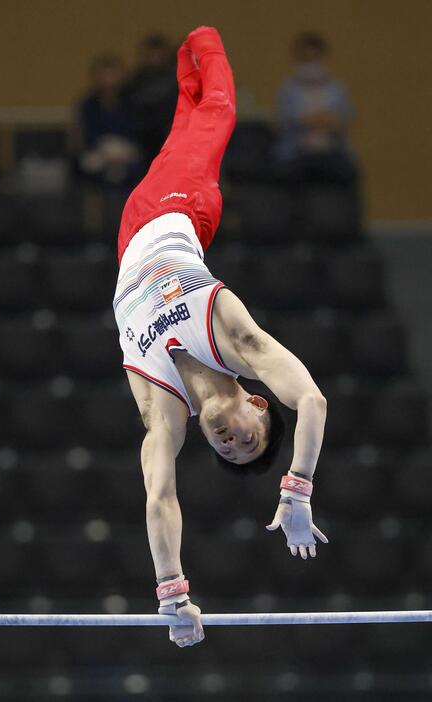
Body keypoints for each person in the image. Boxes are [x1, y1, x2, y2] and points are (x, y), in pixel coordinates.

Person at [113, 27, 328, 649]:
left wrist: (172, 591)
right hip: (181, 209)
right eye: (246, 437)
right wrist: (297, 488)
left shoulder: (163, 410)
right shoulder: (234, 340)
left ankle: (188, 61)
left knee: (190, 124)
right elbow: (311, 399)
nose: (229, 441)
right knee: (217, 114)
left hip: (129, 239)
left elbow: (159, 497)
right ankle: (202, 40)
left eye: (227, 451)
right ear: (256, 402)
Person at [275, 32, 358, 184]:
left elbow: (347, 119)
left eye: (315, 59)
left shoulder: (337, 89)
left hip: (333, 152)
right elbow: (283, 121)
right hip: (297, 153)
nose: (311, 65)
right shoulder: (288, 89)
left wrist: (329, 121)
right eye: (306, 59)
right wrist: (309, 121)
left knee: (348, 170)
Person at [74, 53, 144, 186]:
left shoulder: (133, 103)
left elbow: (139, 136)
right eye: (103, 76)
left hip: (128, 158)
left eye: (113, 75)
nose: (108, 81)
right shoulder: (87, 105)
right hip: (97, 157)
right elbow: (83, 139)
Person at [122, 33, 178, 162]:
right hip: (140, 138)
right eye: (151, 55)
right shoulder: (133, 83)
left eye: (159, 55)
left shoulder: (178, 81)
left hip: (169, 136)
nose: (155, 59)